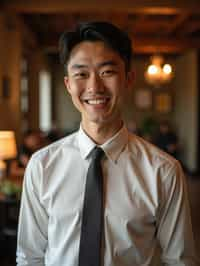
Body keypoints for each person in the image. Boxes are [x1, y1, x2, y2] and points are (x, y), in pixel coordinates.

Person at [17, 21, 198, 266]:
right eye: (81, 74)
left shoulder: (164, 171)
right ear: (68, 84)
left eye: (107, 72)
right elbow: (30, 257)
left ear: (128, 79)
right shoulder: (41, 166)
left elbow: (179, 261)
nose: (94, 87)